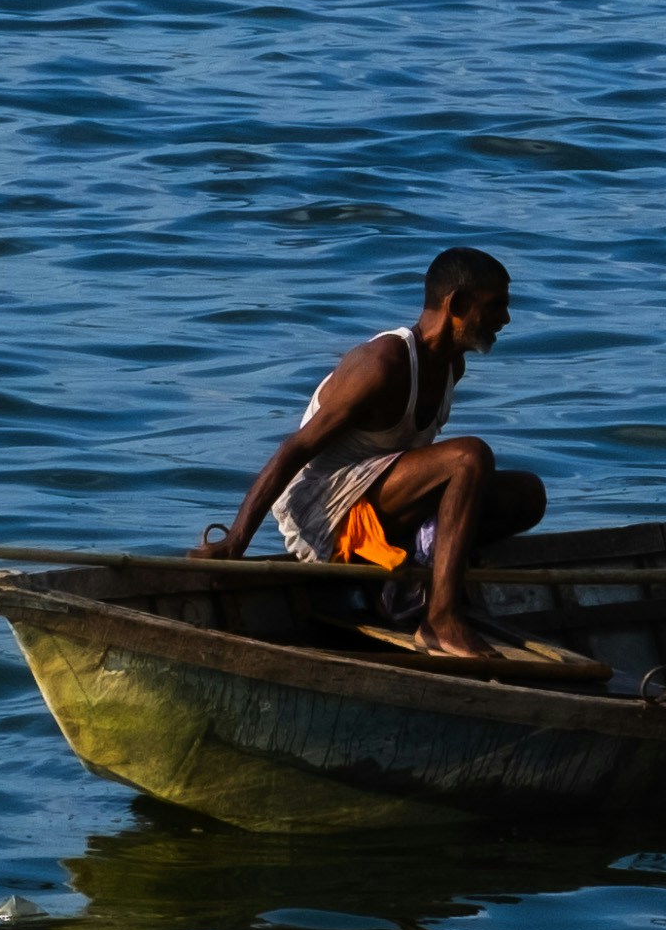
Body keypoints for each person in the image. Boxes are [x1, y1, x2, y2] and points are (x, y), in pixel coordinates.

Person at [206, 247, 548, 659]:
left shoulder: (451, 366)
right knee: (469, 457)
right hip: (325, 511)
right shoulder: (383, 363)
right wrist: (235, 543)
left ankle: (424, 572)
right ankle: (440, 620)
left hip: (381, 498)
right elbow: (295, 449)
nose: (505, 320)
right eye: (495, 306)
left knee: (528, 496)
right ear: (455, 303)